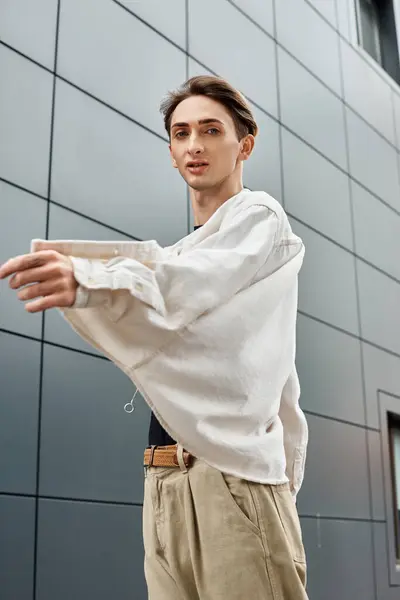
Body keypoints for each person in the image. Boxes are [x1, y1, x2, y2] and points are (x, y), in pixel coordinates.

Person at [0, 76, 309, 599]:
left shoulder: (261, 220)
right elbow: (171, 281)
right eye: (181, 133)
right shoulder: (183, 254)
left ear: (245, 145)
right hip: (163, 481)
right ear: (170, 151)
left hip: (229, 481)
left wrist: (90, 278)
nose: (195, 145)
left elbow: (184, 285)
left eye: (212, 130)